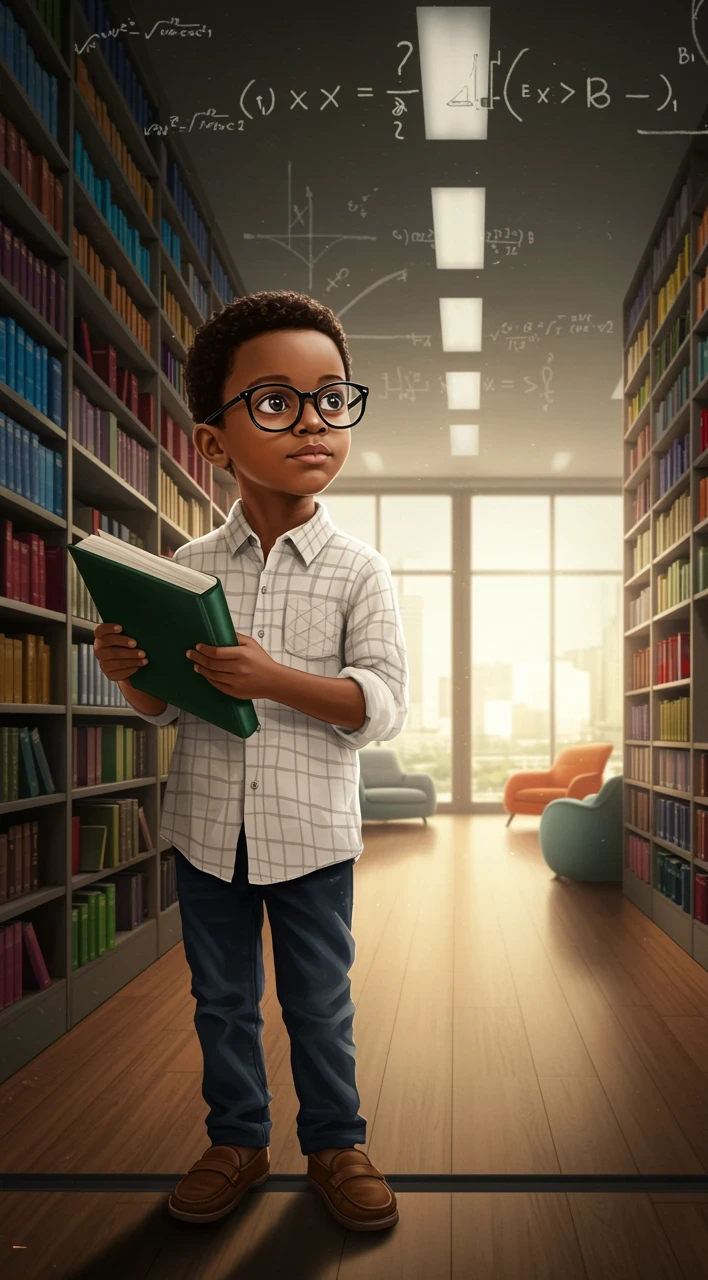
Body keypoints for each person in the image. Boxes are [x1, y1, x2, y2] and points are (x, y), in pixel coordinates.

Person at [93, 291, 409, 1231]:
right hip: (204, 827)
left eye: (331, 398)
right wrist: (130, 676)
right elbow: (164, 706)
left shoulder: (361, 570)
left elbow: (383, 706)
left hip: (310, 833)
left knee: (319, 1001)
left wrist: (275, 678)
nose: (312, 421)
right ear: (213, 441)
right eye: (276, 402)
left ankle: (336, 1143)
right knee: (221, 1000)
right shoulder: (186, 564)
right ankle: (236, 1140)